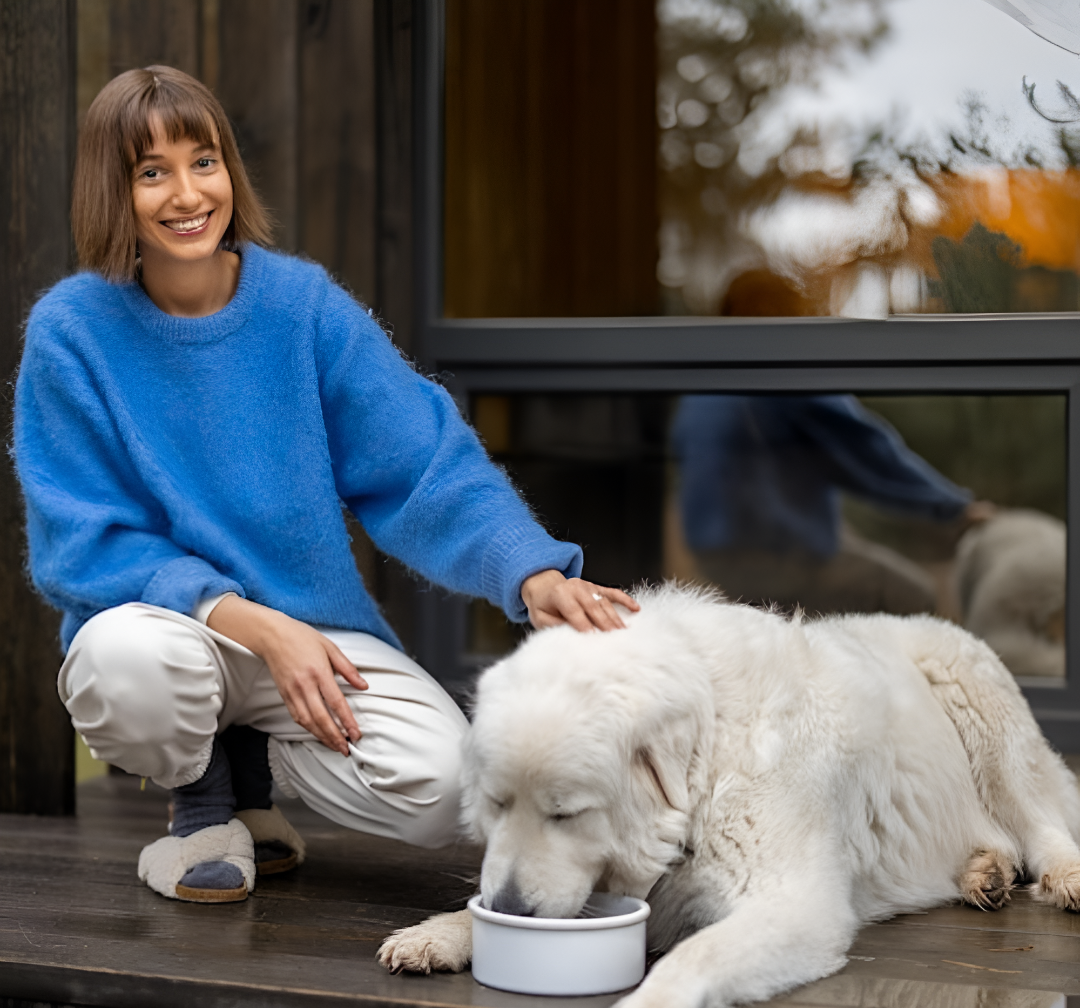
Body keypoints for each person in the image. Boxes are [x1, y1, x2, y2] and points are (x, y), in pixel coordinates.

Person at [13, 66, 636, 904]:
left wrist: (530, 571)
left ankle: (251, 765)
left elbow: (420, 463)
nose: (187, 193)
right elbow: (82, 541)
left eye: (204, 161)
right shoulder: (71, 332)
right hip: (166, 631)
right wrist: (255, 625)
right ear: (111, 191)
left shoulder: (301, 307)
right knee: (129, 663)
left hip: (307, 636)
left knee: (444, 786)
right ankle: (201, 806)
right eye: (150, 172)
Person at [672, 394, 988, 616]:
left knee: (847, 550)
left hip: (713, 553)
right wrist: (954, 506)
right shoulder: (787, 365)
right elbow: (866, 452)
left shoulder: (717, 370)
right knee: (913, 596)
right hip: (768, 554)